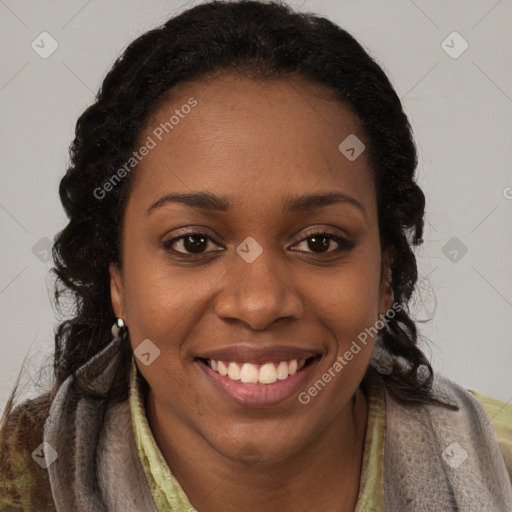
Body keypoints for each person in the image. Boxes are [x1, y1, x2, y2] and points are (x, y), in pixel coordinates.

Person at [1, 1, 511, 511]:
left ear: (386, 276)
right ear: (118, 279)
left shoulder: (498, 471)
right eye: (193, 243)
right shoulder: (18, 489)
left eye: (319, 242)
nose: (259, 303)